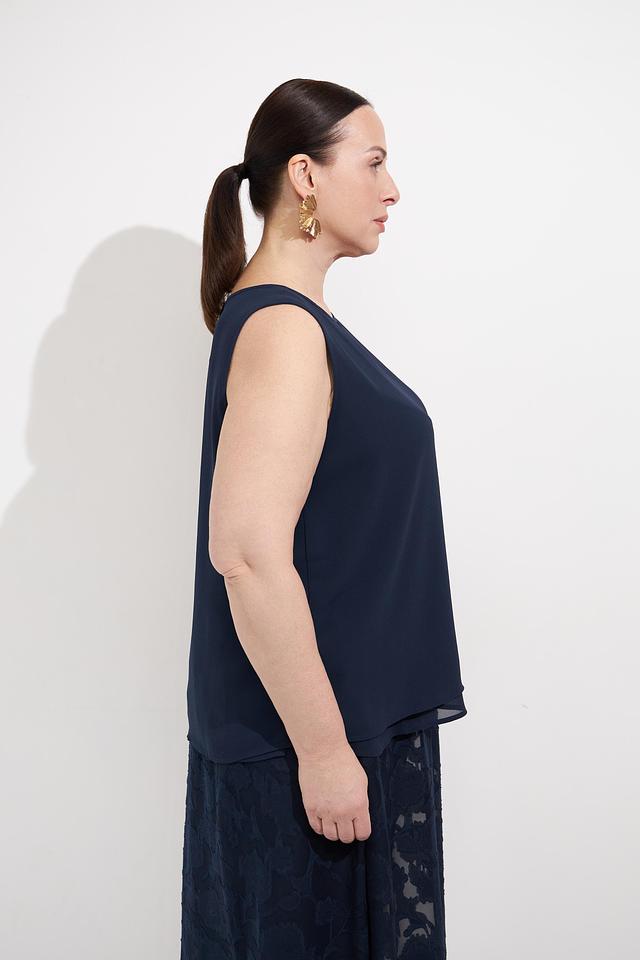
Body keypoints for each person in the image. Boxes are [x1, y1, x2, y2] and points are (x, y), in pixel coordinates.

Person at [180, 78, 468, 959]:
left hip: (341, 731)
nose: (392, 189)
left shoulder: (288, 322)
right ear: (306, 176)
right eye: (373, 163)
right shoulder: (283, 329)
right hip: (311, 746)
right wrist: (324, 751)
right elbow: (246, 554)